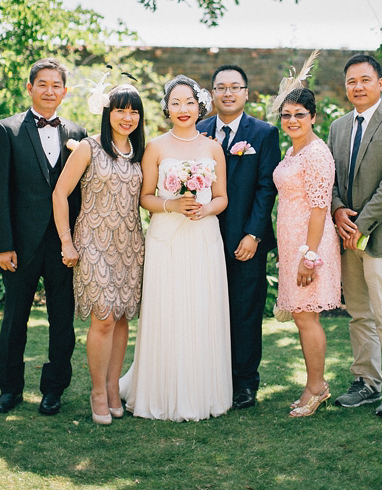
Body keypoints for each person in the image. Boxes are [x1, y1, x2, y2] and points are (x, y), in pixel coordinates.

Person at [120, 75, 232, 421]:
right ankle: (160, 392)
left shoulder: (213, 148)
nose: (183, 109)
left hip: (203, 236)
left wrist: (204, 208)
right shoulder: (155, 146)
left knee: (201, 307)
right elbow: (145, 197)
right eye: (175, 103)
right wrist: (172, 206)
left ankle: (204, 393)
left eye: (189, 102)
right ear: (167, 109)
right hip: (166, 237)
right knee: (167, 308)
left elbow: (222, 198)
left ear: (200, 106)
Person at [0, 59, 87, 416]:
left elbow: (81, 193)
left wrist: (75, 239)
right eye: (41, 84)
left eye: (56, 85)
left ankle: (53, 390)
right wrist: (4, 245)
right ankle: (10, 389)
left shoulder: (79, 132)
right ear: (29, 88)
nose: (49, 90)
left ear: (64, 91)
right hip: (20, 245)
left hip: (63, 243)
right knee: (15, 319)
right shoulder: (6, 130)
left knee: (62, 321)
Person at [328, 54, 382, 420]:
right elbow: (329, 178)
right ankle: (366, 381)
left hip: (381, 237)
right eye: (351, 81)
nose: (358, 86)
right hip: (346, 237)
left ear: (380, 83)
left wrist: (361, 224)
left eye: (365, 79)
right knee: (359, 314)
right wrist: (336, 211)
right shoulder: (337, 127)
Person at [52, 84, 146, 425]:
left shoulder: (140, 153)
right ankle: (95, 391)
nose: (128, 117)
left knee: (121, 318)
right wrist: (67, 241)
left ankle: (111, 387)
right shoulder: (89, 147)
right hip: (92, 242)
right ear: (108, 113)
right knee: (104, 316)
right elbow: (60, 193)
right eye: (121, 110)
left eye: (134, 111)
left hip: (130, 244)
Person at [197, 64, 280, 410]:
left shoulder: (263, 133)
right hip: (202, 239)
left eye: (235, 87)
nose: (227, 93)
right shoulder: (198, 132)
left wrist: (253, 235)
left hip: (246, 240)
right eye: (221, 87)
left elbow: (266, 189)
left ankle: (244, 383)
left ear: (246, 93)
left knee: (245, 313)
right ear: (212, 93)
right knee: (205, 310)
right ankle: (209, 377)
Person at [270, 83, 342, 418]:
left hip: (310, 244)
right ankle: (313, 385)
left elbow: (318, 207)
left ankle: (316, 387)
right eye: (287, 115)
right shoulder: (293, 151)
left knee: (307, 317)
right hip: (292, 242)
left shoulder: (315, 153)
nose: (292, 120)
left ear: (313, 117)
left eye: (300, 114)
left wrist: (308, 257)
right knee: (302, 317)